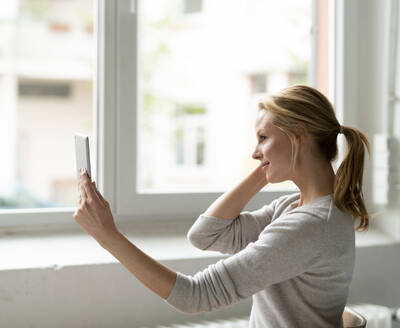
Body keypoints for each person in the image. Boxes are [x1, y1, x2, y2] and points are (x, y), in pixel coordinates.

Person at [74, 85, 372, 328]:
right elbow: (205, 235)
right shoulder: (294, 208)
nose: (254, 152)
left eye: (263, 138)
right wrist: (265, 167)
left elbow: (196, 295)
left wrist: (107, 236)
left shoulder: (311, 225)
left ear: (299, 135)